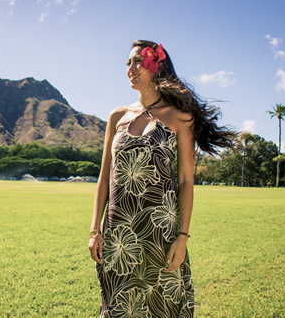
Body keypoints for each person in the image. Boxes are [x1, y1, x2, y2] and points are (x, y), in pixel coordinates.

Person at [88, 40, 235, 317]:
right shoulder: (117, 117)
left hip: (160, 232)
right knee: (121, 307)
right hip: (118, 233)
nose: (131, 68)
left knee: (163, 305)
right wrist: (95, 230)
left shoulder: (181, 117)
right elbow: (104, 176)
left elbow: (186, 182)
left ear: (156, 66)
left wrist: (182, 237)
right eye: (128, 63)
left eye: (138, 62)